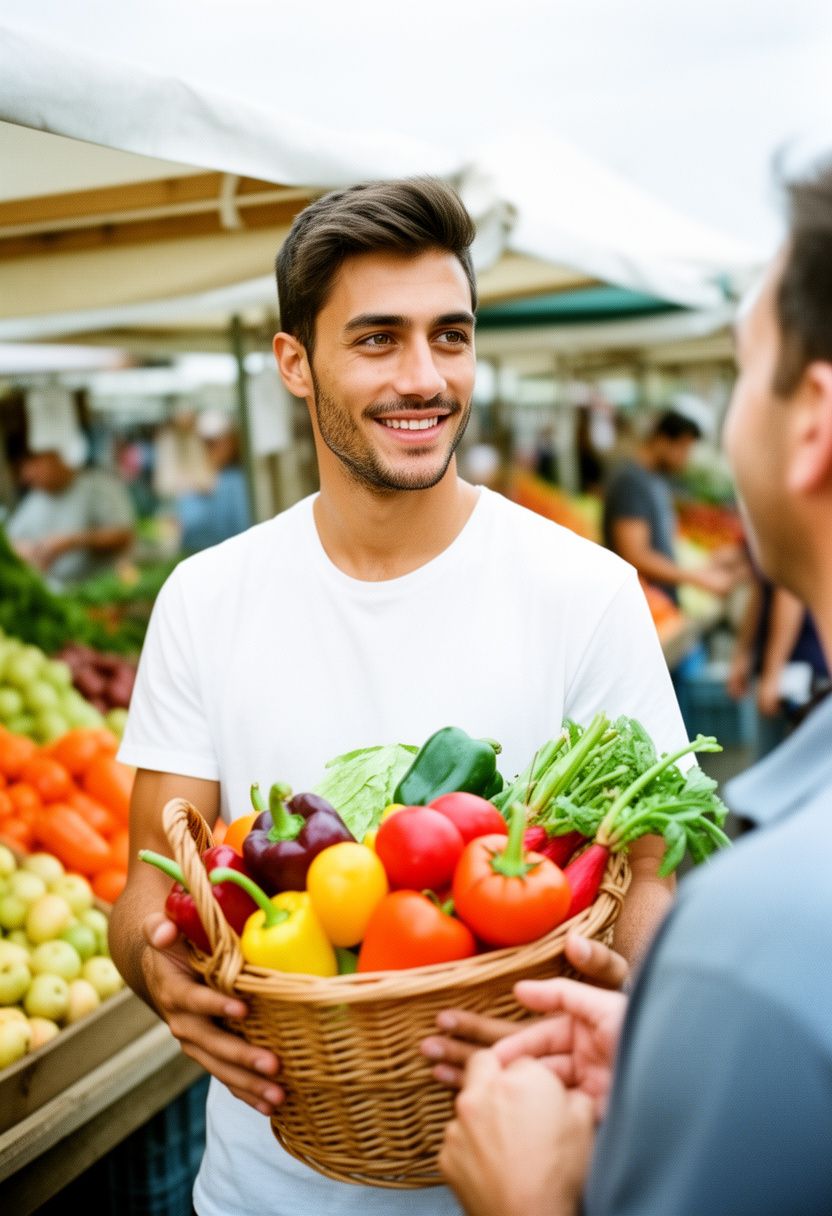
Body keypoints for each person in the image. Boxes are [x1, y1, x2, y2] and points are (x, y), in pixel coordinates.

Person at [109, 177, 691, 1216]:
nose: (425, 378)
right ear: (295, 363)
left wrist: (618, 985)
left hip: (527, 1184)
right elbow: (145, 895)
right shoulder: (206, 597)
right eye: (378, 339)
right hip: (263, 1192)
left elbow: (653, 875)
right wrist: (161, 979)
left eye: (450, 336)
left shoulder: (585, 589)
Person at [437, 160, 832, 1216]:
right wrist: (685, 1046)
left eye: (743, 365)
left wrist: (526, 1202)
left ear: (814, 421)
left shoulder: (759, 928)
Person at [601, 408, 737, 602]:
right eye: (683, 448)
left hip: (659, 600)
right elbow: (634, 554)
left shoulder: (656, 479)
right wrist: (696, 578)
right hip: (644, 602)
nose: (686, 458)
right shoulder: (630, 482)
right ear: (661, 441)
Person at [728, 569, 829, 756]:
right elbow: (761, 587)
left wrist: (772, 675)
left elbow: (789, 592)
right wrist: (744, 652)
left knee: (792, 761)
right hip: (788, 667)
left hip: (799, 667)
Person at [6, 444, 136, 587]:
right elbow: (10, 541)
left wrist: (73, 542)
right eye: (24, 467)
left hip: (106, 588)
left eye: (35, 463)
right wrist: (27, 550)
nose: (28, 473)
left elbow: (125, 535)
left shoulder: (97, 486)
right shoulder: (33, 501)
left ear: (57, 457)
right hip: (58, 591)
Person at [175, 409, 253, 552]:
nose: (215, 449)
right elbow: (189, 529)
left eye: (219, 442)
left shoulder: (237, 480)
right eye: (208, 444)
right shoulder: (196, 479)